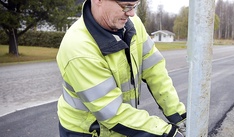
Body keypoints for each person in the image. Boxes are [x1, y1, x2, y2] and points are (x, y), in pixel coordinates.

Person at [56, 0, 187, 136]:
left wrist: (178, 115)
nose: (131, 13)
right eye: (126, 6)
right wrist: (168, 133)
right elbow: (112, 112)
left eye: (135, 5)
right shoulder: (78, 49)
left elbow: (155, 71)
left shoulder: (133, 25)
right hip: (87, 131)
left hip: (121, 123)